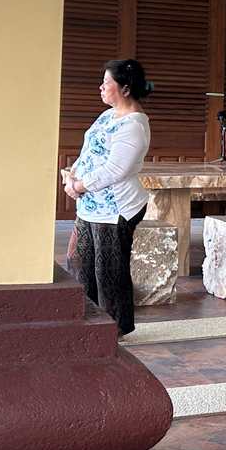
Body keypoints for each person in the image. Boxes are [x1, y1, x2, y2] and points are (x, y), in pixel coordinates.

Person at [63, 58, 153, 336]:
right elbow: (89, 150)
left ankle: (114, 330)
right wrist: (72, 174)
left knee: (108, 273)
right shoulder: (108, 115)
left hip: (115, 210)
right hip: (91, 206)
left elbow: (115, 170)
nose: (101, 88)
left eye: (106, 83)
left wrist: (79, 186)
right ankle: (89, 324)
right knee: (80, 264)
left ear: (125, 89)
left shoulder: (133, 125)